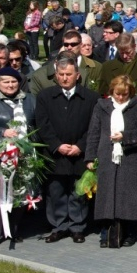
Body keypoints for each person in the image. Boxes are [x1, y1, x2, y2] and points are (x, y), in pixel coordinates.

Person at [35, 57, 100, 243]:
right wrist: (56, 145)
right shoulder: (45, 97)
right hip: (55, 154)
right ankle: (59, 226)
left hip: (79, 154)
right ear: (56, 76)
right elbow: (42, 125)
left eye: (68, 74)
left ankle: (77, 227)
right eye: (61, 75)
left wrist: (81, 145)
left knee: (78, 192)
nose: (65, 78)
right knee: (56, 192)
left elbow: (94, 127)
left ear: (77, 75)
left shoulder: (90, 97)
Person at [85, 75, 137, 248]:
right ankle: (107, 232)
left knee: (129, 197)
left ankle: (130, 232)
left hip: (131, 158)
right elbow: (94, 132)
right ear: (111, 92)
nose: (120, 98)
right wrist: (90, 157)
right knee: (107, 196)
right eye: (117, 94)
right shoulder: (101, 106)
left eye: (124, 94)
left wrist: (125, 137)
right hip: (107, 156)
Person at [0, 67, 36, 247]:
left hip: (25, 156)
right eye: (6, 82)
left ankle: (14, 228)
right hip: (0, 156)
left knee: (20, 192)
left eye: (13, 81)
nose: (10, 85)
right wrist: (3, 132)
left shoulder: (30, 100)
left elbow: (38, 122)